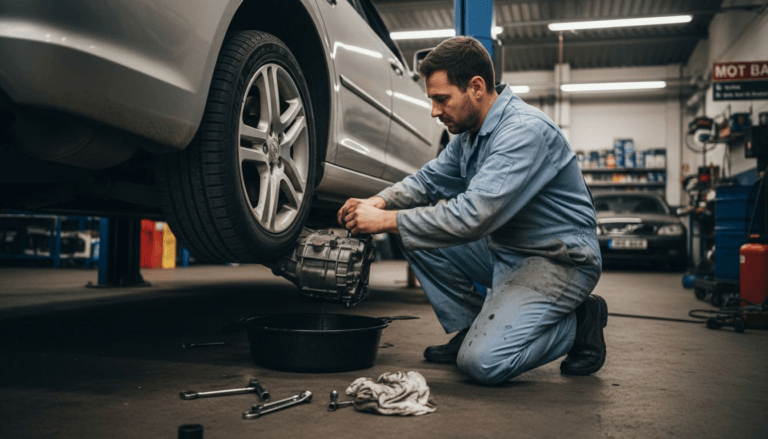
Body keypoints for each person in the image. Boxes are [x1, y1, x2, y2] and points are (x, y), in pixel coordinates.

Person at [336, 37, 606, 385]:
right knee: (416, 235)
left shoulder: (523, 132)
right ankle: (471, 326)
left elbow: (473, 216)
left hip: (557, 259)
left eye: (441, 99)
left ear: (476, 87)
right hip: (506, 249)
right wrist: (379, 202)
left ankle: (579, 322)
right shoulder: (469, 134)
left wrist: (385, 221)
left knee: (483, 363)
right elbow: (428, 181)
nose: (435, 110)